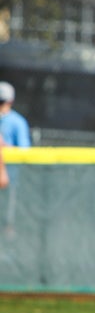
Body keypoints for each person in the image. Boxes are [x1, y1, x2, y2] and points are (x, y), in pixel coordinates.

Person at [0, 81, 31, 231]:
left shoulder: (17, 122)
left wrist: (4, 146)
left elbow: (24, 152)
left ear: (10, 102)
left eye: (2, 102)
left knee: (8, 223)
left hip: (9, 181)